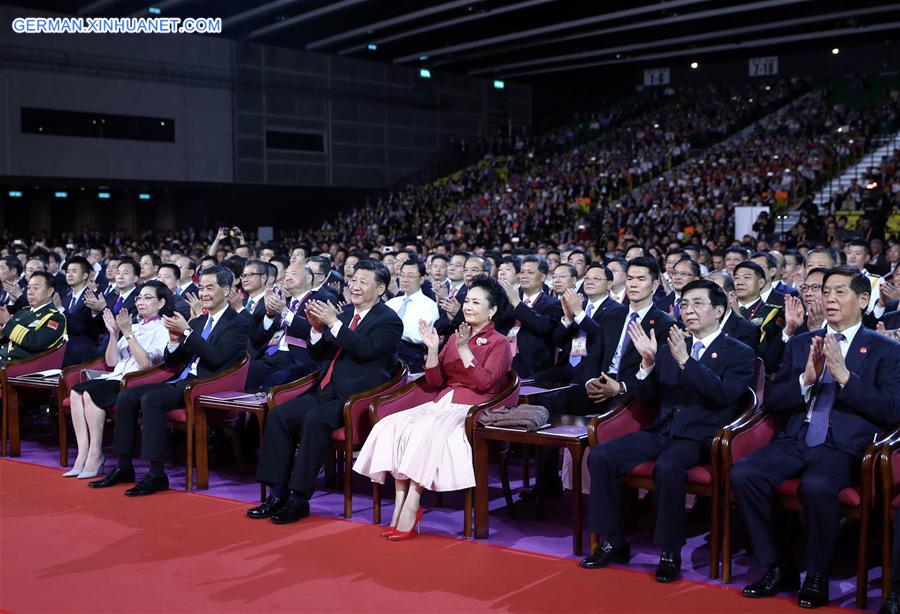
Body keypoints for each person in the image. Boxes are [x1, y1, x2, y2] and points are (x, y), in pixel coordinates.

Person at [730, 267, 900, 609]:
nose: (830, 299)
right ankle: (779, 565)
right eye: (826, 292)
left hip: (844, 447)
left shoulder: (885, 349)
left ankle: (818, 574)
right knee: (745, 473)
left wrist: (845, 378)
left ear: (863, 299)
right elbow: (773, 401)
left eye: (840, 292)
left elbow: (892, 411)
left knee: (817, 485)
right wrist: (805, 380)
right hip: (796, 438)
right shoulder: (800, 344)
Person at [579, 280, 755, 581]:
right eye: (684, 304)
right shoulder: (670, 346)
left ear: (719, 309)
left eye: (698, 304)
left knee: (669, 466)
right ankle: (613, 539)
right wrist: (647, 365)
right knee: (601, 455)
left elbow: (724, 396)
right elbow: (648, 401)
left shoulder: (738, 352)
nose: (689, 311)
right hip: (661, 429)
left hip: (700, 436)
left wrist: (687, 362)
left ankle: (669, 550)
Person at [353, 275, 512, 539]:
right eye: (467, 301)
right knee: (391, 425)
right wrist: (431, 349)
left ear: (492, 310)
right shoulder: (454, 336)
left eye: (476, 302)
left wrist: (464, 350)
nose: (468, 306)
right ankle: (400, 501)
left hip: (473, 407)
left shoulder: (499, 342)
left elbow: (485, 384)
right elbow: (435, 381)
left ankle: (413, 502)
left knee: (426, 431)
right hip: (442, 401)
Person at [247, 260, 402, 524]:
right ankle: (277, 492)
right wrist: (318, 330)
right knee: (279, 415)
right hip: (324, 390)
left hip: (355, 397)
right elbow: (319, 354)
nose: (354, 286)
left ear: (380, 288)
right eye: (353, 280)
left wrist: (332, 324)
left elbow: (365, 350)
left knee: (314, 420)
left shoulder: (388, 321)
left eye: (364, 282)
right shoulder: (342, 316)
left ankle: (299, 498)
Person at [88, 266, 250, 496]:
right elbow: (173, 359)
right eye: (201, 288)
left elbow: (217, 358)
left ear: (226, 290)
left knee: (151, 399)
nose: (203, 293)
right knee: (127, 395)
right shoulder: (198, 321)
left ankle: (156, 475)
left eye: (209, 288)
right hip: (180, 381)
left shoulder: (238, 322)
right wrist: (174, 340)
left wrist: (187, 333)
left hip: (205, 386)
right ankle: (124, 467)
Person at [63, 281, 173, 479]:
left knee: (90, 394)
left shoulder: (163, 329)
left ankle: (96, 454)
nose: (141, 302)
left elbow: (146, 364)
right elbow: (112, 361)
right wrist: (114, 334)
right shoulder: (134, 325)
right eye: (139, 298)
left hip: (134, 381)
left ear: (162, 302)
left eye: (148, 298)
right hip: (115, 376)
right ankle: (83, 454)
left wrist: (128, 333)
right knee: (75, 391)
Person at [0, 271, 67, 365]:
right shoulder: (23, 311)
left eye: (36, 288)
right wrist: (2, 333)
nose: (30, 292)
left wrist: (7, 323)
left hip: (19, 367)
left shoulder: (55, 318)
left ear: (50, 291)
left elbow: (34, 343)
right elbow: (9, 339)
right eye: (28, 288)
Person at [385, 259, 439, 373]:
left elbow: (418, 336)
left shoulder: (429, 305)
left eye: (411, 276)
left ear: (422, 279)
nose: (404, 280)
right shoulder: (392, 303)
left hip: (410, 355)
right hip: (385, 353)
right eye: (402, 275)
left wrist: (389, 331)